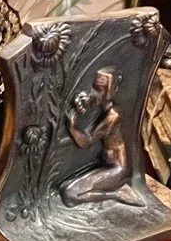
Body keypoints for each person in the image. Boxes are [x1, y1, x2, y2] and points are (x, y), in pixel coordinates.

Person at [60, 68, 144, 207]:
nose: (95, 93)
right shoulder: (104, 108)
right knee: (67, 187)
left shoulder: (113, 115)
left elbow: (86, 142)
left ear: (111, 91)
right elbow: (91, 100)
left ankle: (117, 194)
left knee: (70, 194)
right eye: (95, 88)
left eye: (100, 89)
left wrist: (71, 128)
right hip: (107, 166)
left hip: (117, 169)